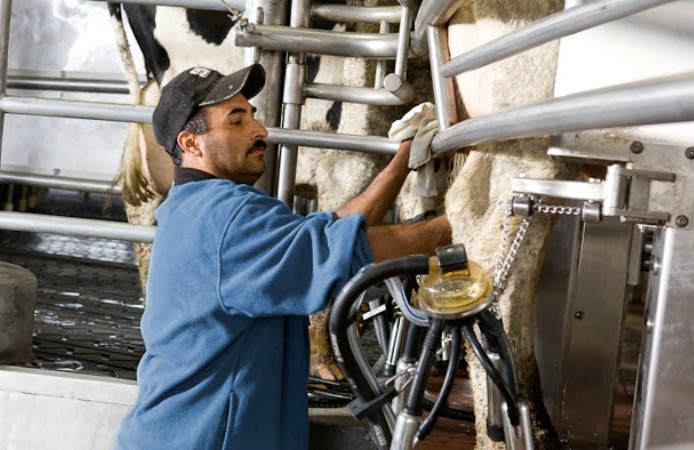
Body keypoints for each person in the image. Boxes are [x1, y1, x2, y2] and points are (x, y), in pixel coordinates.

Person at [114, 63, 451, 450]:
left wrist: (401, 162)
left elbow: (329, 233)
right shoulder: (226, 218)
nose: (259, 131)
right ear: (191, 144)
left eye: (253, 116)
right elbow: (336, 252)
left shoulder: (193, 209)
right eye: (236, 121)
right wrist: (458, 226)